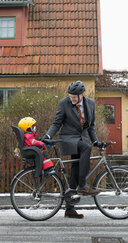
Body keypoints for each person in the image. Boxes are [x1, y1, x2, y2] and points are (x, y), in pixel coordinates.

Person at [42, 80, 103, 219]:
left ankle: (69, 209)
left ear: (82, 95)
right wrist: (48, 135)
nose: (72, 99)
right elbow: (57, 123)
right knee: (86, 148)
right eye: (70, 96)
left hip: (82, 138)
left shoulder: (91, 104)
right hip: (69, 138)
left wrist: (96, 141)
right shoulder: (64, 103)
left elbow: (90, 126)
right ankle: (83, 185)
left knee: (75, 171)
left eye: (74, 97)